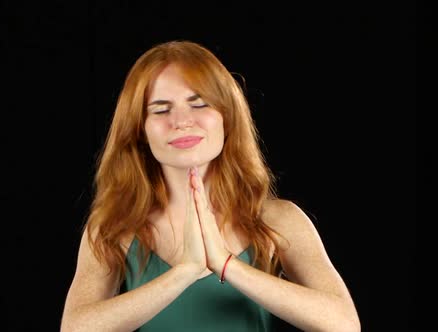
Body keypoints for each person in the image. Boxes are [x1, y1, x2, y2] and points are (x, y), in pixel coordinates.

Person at [60, 40, 360, 331]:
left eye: (199, 103)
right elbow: (75, 328)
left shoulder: (279, 220)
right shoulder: (115, 228)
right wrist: (184, 273)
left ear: (226, 117)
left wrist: (227, 265)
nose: (182, 121)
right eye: (161, 110)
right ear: (140, 130)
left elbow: (343, 324)